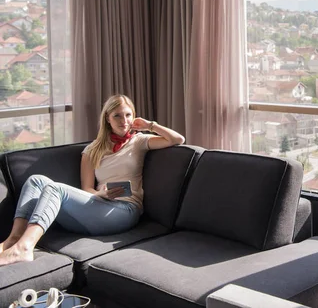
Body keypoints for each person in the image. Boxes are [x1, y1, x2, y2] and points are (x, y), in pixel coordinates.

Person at [0, 94, 185, 267]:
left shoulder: (140, 141)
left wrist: (150, 125)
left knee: (55, 189)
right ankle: (13, 240)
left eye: (128, 115)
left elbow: (178, 139)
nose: (124, 121)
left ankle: (25, 247)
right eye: (117, 116)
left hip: (125, 211)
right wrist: (101, 194)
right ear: (108, 119)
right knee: (36, 180)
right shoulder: (92, 150)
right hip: (96, 207)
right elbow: (87, 188)